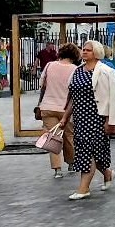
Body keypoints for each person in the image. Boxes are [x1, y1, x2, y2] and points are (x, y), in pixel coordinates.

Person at [58, 39, 115, 201]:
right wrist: (65, 117)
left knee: (87, 152)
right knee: (94, 152)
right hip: (80, 119)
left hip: (97, 118)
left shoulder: (106, 71)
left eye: (88, 50)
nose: (84, 52)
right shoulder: (77, 71)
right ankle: (107, 174)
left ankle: (83, 188)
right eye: (83, 49)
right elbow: (73, 97)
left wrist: (111, 120)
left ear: (97, 53)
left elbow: (113, 97)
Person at [37, 42, 80, 178]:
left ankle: (57, 169)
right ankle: (72, 163)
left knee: (52, 137)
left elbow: (42, 84)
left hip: (48, 106)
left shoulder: (49, 66)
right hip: (66, 109)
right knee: (69, 136)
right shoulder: (75, 69)